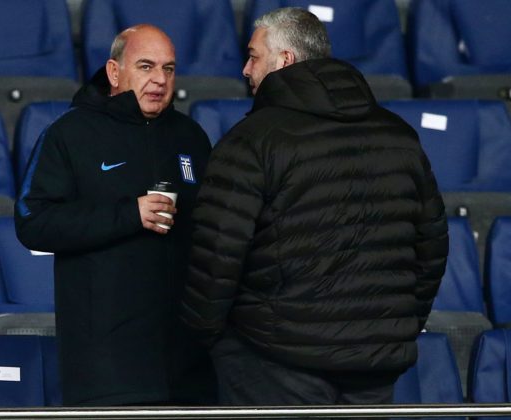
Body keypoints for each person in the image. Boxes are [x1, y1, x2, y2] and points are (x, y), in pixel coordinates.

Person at [181, 7, 449, 406]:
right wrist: (391, 328)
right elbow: (432, 247)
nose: (244, 69)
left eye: (253, 57)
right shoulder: (399, 135)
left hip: (273, 359)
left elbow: (218, 254)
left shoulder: (252, 140)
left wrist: (206, 337)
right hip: (372, 360)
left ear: (284, 60)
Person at [15, 24, 214, 406]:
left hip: (188, 366)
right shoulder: (70, 133)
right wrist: (129, 214)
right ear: (114, 71)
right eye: (146, 66)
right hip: (106, 366)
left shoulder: (191, 136)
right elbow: (33, 221)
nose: (160, 79)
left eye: (169, 68)